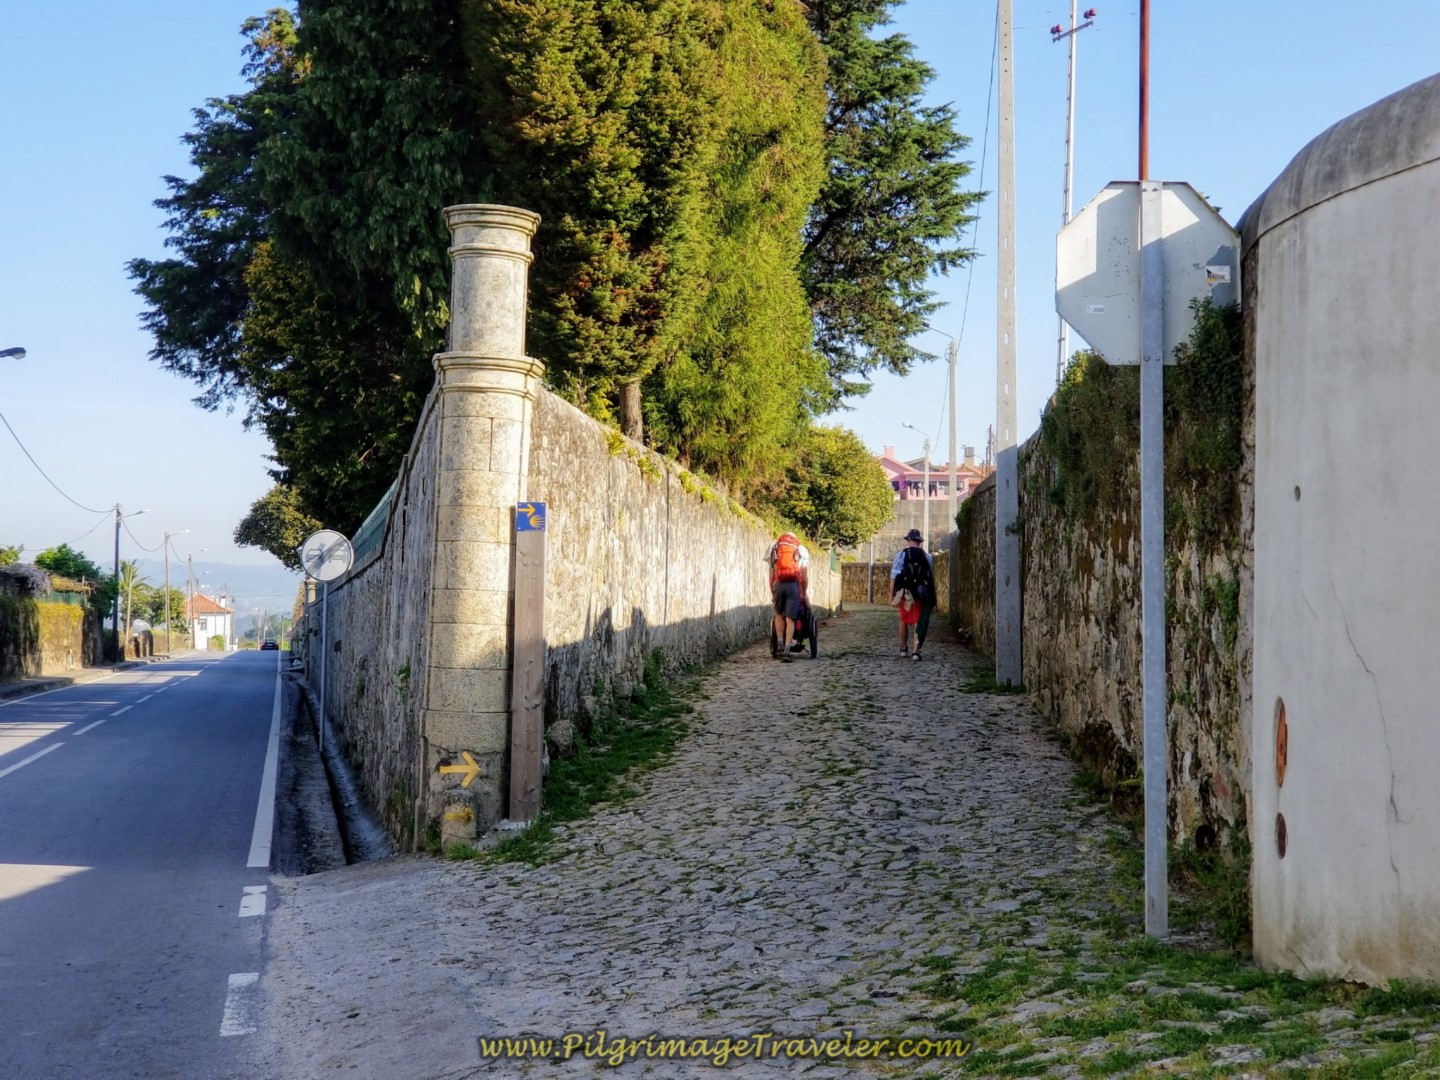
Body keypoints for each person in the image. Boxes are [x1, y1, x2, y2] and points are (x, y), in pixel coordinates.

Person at [891, 528, 936, 661]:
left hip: (905, 593)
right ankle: (916, 651)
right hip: (920, 593)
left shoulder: (900, 555)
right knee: (918, 620)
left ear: (908, 540)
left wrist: (891, 595)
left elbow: (894, 576)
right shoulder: (927, 557)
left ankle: (903, 648)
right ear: (919, 542)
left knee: (903, 619)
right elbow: (929, 576)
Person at [766, 532, 810, 662]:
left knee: (779, 614)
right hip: (793, 586)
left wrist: (773, 592)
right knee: (790, 619)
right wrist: (804, 593)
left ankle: (779, 644)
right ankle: (787, 650)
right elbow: (804, 578)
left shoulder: (775, 549)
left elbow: (771, 575)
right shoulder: (800, 550)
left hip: (778, 585)